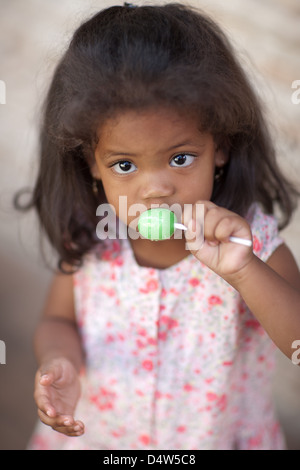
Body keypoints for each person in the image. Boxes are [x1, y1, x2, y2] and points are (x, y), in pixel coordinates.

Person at [25, 2, 300, 450]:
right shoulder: (95, 239)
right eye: (125, 164)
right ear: (93, 165)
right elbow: (58, 319)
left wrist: (245, 270)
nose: (155, 189)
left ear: (222, 147)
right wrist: (61, 361)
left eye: (180, 158)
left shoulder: (249, 242)